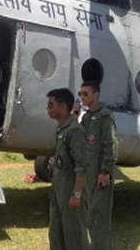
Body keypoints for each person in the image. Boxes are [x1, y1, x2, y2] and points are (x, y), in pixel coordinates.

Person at [46, 88, 89, 250]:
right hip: (58, 190)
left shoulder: (75, 131)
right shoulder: (61, 129)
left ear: (63, 107)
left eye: (51, 105)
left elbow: (82, 166)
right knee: (56, 235)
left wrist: (76, 194)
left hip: (70, 190)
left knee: (74, 237)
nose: (47, 109)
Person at [79, 81, 117, 250]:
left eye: (85, 93)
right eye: (80, 94)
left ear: (96, 94)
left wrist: (105, 171)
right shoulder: (86, 117)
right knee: (89, 214)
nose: (82, 97)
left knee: (99, 216)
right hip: (88, 172)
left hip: (100, 173)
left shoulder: (105, 116)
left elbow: (111, 145)